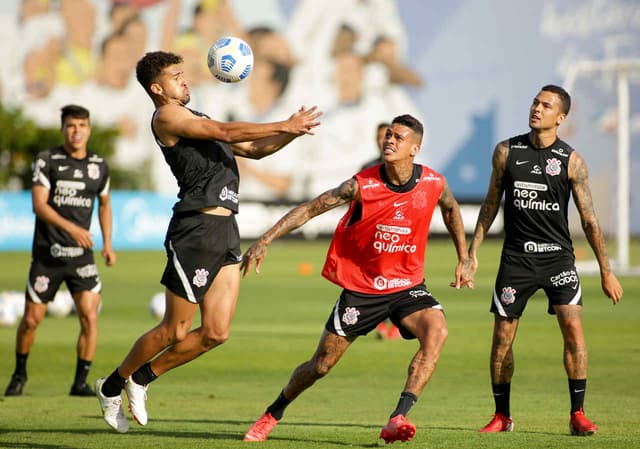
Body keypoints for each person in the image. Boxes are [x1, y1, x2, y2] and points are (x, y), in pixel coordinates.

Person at [95, 50, 322, 434]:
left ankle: (142, 378)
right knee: (174, 330)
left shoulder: (195, 118)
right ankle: (112, 385)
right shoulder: (166, 116)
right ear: (156, 88)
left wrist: (289, 132)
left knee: (216, 332)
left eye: (184, 74)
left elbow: (254, 149)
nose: (184, 81)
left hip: (225, 230)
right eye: (175, 76)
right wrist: (283, 121)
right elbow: (228, 133)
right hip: (195, 230)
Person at [241, 114, 471, 443]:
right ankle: (273, 412)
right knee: (320, 365)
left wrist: (464, 257)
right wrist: (265, 239)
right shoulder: (362, 185)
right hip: (363, 289)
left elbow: (450, 208)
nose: (389, 140)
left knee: (438, 331)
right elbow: (311, 208)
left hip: (407, 287)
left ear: (415, 149)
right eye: (388, 135)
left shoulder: (433, 182)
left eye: (398, 138)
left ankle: (398, 416)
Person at [466, 85, 624, 435]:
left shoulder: (572, 161)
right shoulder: (507, 151)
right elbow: (491, 203)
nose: (536, 108)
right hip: (516, 261)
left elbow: (589, 220)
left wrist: (607, 272)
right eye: (535, 102)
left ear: (561, 117)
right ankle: (501, 415)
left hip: (558, 262)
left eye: (546, 105)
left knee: (574, 333)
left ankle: (578, 414)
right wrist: (471, 253)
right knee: (502, 339)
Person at [5, 104, 116, 397]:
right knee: (30, 320)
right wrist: (73, 228)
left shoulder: (99, 165)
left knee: (89, 318)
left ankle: (80, 382)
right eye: (70, 126)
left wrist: (107, 244)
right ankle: (19, 373)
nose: (76, 131)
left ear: (89, 129)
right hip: (48, 256)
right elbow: (38, 205)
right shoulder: (47, 160)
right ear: (63, 129)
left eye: (81, 125)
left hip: (82, 258)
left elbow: (105, 205)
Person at [360, 121, 400, 341]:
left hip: (398, 232)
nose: (383, 141)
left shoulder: (404, 168)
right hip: (373, 231)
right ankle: (379, 321)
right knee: (375, 277)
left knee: (396, 277)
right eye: (380, 137)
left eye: (386, 136)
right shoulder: (367, 167)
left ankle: (394, 323)